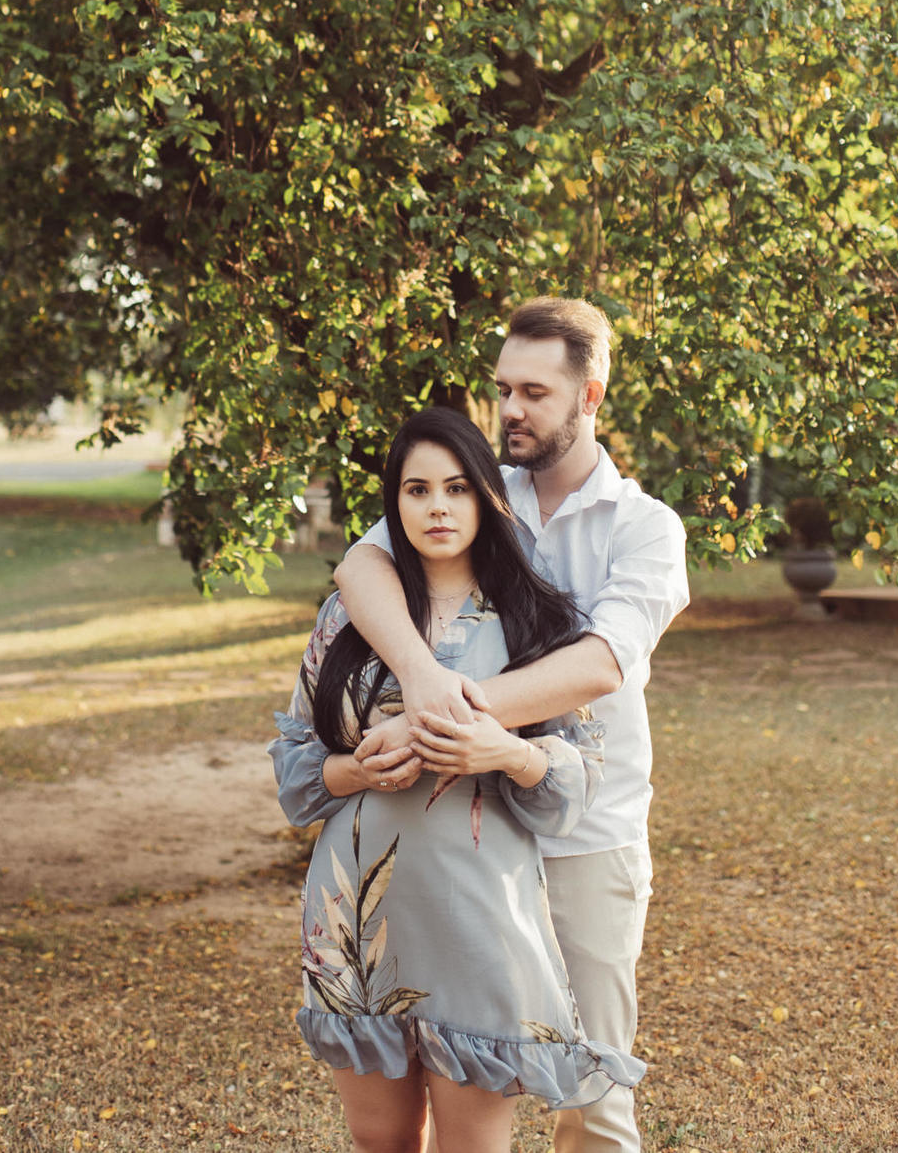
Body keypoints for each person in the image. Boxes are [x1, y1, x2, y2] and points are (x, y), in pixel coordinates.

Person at [335, 299, 689, 1153]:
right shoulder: (474, 490)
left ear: (590, 396)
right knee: (450, 1065)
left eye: (534, 391)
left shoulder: (645, 528)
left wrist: (457, 710)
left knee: (592, 1093)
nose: (511, 411)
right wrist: (421, 679)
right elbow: (360, 563)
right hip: (458, 845)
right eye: (503, 389)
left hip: (583, 840)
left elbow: (603, 664)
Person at [269, 406, 644, 1153]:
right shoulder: (350, 616)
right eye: (416, 490)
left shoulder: (537, 621)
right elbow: (296, 776)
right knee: (379, 1139)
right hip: (356, 921)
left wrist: (502, 752)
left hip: (481, 919)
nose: (437, 506)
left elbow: (574, 786)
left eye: (457, 488)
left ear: (486, 498)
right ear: (394, 503)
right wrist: (355, 767)